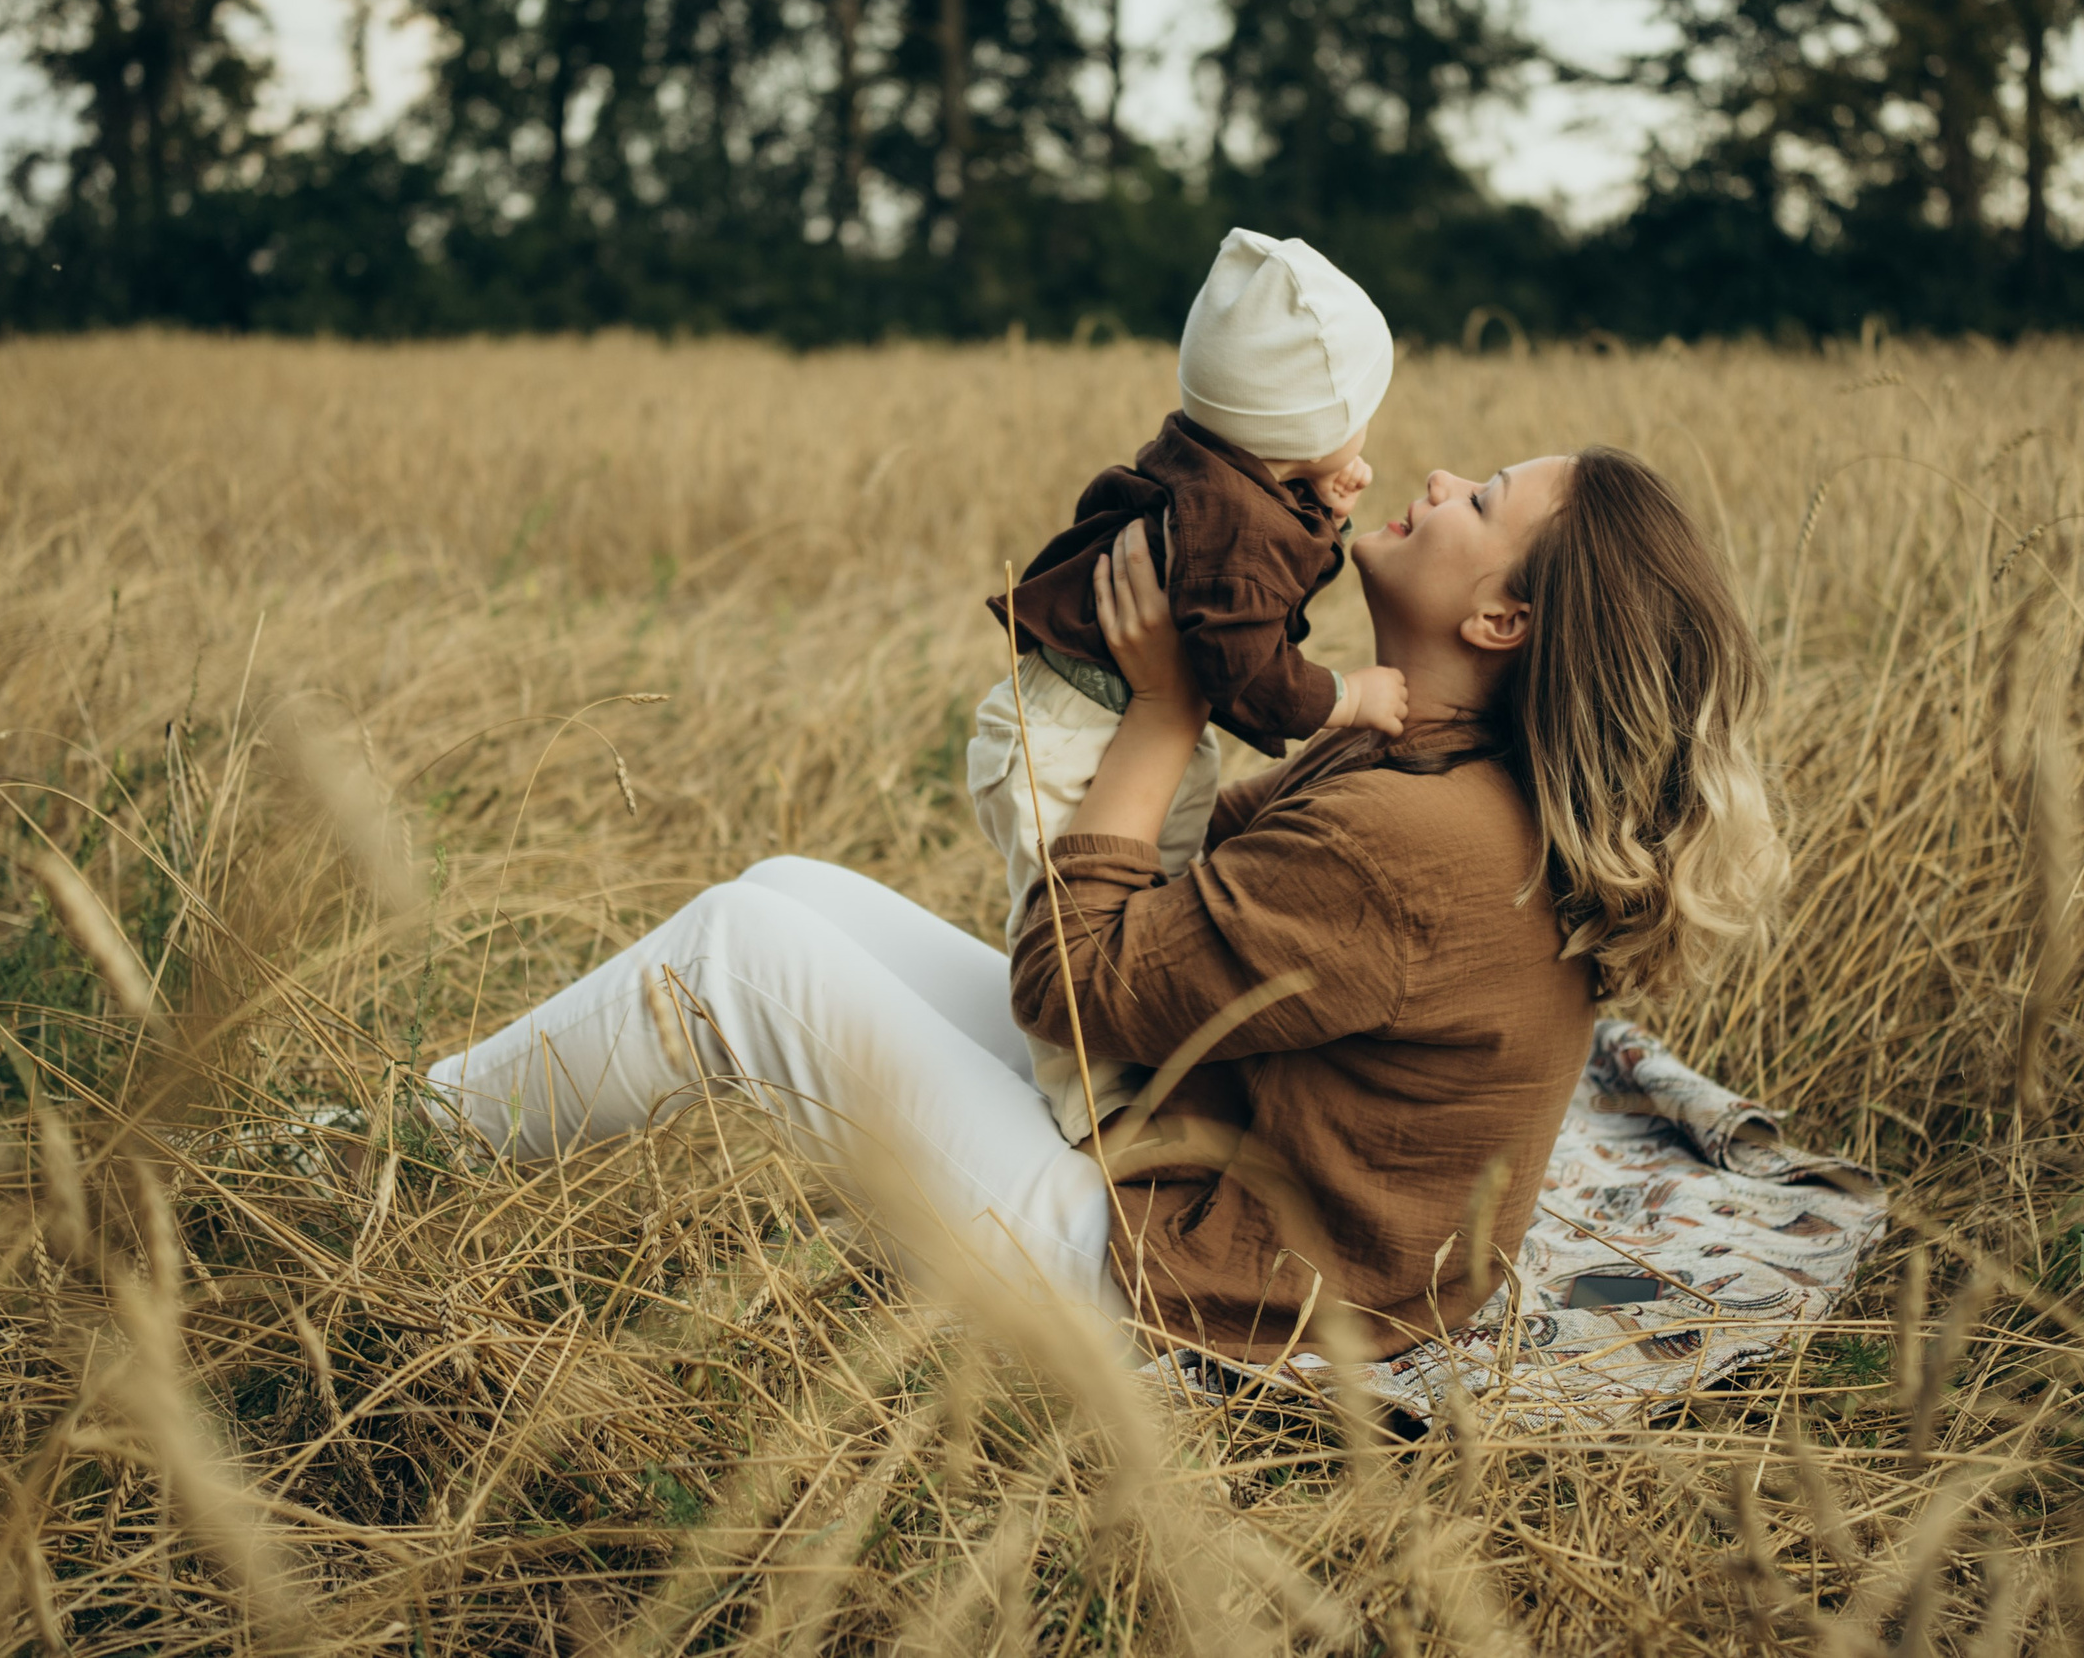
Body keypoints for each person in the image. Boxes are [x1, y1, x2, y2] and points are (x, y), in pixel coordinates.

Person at [423, 449, 1787, 1363]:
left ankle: (379, 1161)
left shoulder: (1413, 838)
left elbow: (1077, 983)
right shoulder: (1437, 770)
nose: (1439, 479)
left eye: (1483, 499)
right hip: (1220, 1182)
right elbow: (1204, 911)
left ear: (1503, 621)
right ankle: (416, 1136)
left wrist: (1161, 705)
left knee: (739, 955)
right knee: (782, 893)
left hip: (1204, 1299)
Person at [975, 228, 1411, 1146]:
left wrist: (1316, 503)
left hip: (1100, 719)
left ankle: (1129, 1073)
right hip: (1076, 731)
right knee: (1072, 919)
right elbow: (1252, 672)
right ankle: (1091, 1108)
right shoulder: (1232, 535)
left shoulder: (1212, 464)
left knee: (1155, 888)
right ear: (1309, 426)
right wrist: (1351, 698)